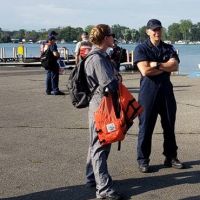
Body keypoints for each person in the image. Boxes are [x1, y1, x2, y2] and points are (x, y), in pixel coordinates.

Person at [133, 19, 184, 173]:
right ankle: (143, 160)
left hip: (166, 91)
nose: (157, 32)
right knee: (146, 127)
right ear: (148, 31)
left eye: (159, 29)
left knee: (169, 125)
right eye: (154, 30)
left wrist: (156, 64)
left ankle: (171, 156)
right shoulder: (141, 48)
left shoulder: (168, 47)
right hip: (148, 93)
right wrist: (165, 66)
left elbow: (174, 66)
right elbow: (145, 71)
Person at [84, 24, 123, 200]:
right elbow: (110, 84)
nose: (113, 38)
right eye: (111, 35)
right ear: (105, 38)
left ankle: (92, 176)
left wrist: (113, 63)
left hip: (98, 105)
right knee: (101, 146)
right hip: (102, 107)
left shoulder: (99, 56)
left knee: (96, 144)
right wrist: (116, 74)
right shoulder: (98, 59)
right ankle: (104, 189)